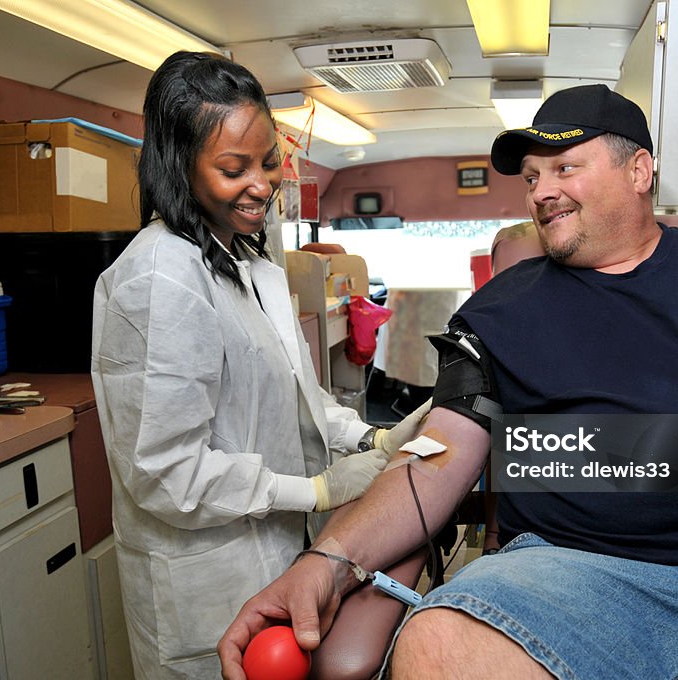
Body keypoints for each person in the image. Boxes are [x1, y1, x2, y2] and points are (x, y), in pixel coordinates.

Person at [218, 84, 678, 679]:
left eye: (565, 167)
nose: (541, 191)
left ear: (639, 170)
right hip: (579, 582)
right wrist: (331, 556)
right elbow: (439, 452)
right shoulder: (494, 310)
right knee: (440, 644)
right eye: (533, 178)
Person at [90, 51, 428, 680]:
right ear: (177, 166)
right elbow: (166, 471)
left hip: (280, 555)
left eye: (268, 161)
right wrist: (318, 491)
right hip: (208, 580)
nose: (262, 184)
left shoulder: (250, 266)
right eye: (232, 168)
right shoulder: (160, 278)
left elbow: (299, 396)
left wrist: (373, 438)